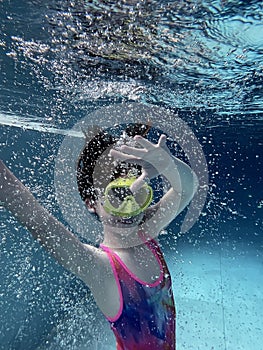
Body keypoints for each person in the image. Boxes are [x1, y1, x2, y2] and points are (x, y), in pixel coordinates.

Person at [0, 123, 198, 349]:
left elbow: (187, 187)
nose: (130, 207)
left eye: (138, 192)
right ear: (92, 203)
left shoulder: (146, 232)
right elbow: (40, 224)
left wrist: (168, 164)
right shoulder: (100, 268)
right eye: (117, 195)